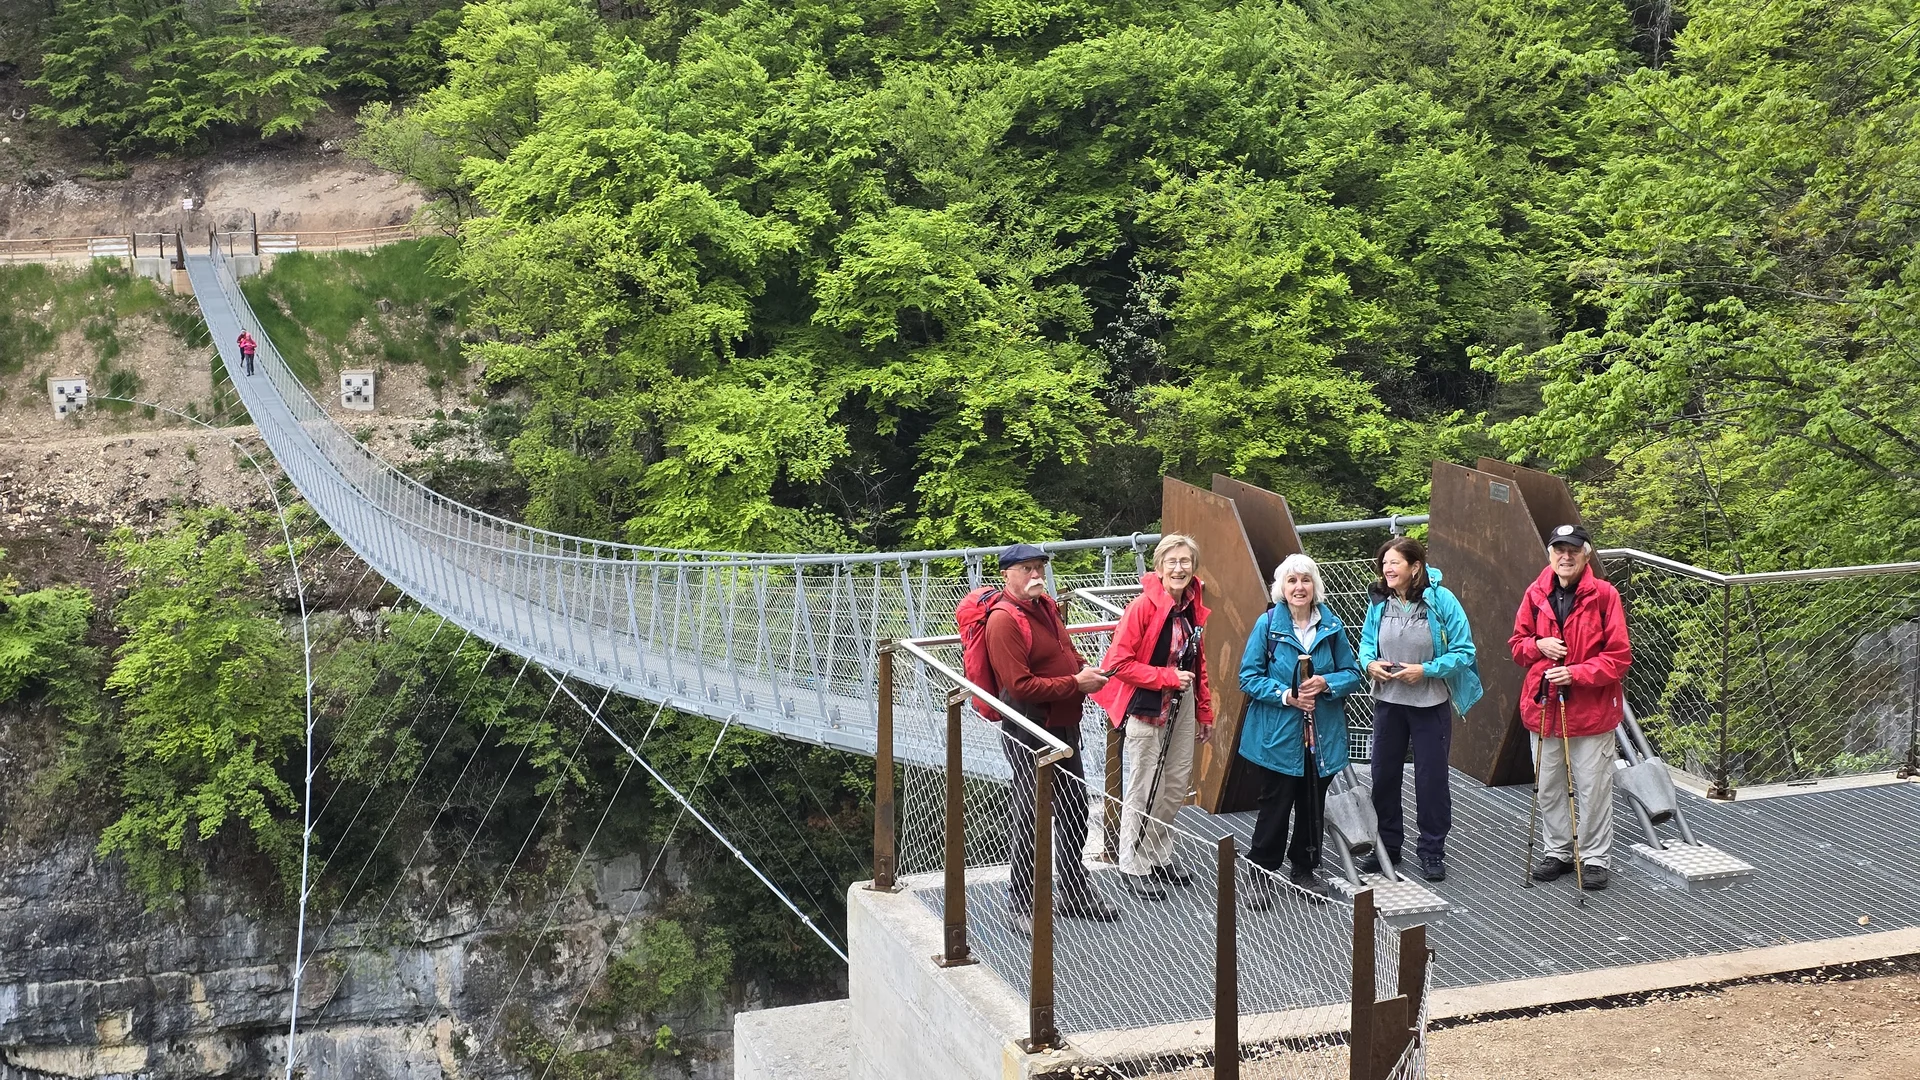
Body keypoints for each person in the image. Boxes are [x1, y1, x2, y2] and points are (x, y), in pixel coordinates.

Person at [983, 542, 1118, 934]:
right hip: (1027, 727)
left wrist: (1082, 669)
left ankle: (1074, 890)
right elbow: (1019, 685)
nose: (1036, 575)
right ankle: (1021, 902)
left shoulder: (1046, 607)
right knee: (1032, 813)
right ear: (1006, 574)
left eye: (1039, 567)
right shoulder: (1003, 620)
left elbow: (1065, 652)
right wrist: (1075, 682)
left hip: (1062, 722)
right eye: (1026, 569)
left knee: (1076, 809)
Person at [1509, 523, 1633, 891]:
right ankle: (1558, 851)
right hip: (1544, 706)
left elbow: (1619, 656)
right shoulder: (1535, 593)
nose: (1566, 556)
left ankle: (1595, 857)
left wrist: (1576, 673)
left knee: (1593, 786)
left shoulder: (1605, 595)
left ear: (1586, 554)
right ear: (1549, 554)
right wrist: (1539, 646)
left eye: (1573, 550)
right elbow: (1517, 646)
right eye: (1559, 550)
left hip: (1591, 709)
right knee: (1547, 785)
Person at [1092, 534, 1214, 901]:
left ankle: (1158, 854)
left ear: (1193, 567)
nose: (1179, 569)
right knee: (1143, 783)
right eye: (1172, 562)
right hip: (1148, 702)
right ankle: (1132, 864)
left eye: (1185, 562)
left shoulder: (1192, 605)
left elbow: (1198, 662)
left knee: (1176, 783)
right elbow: (1117, 664)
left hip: (1183, 700)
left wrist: (1204, 710)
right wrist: (1166, 678)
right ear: (1158, 568)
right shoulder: (1142, 607)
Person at [1238, 553, 1364, 905]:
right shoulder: (1267, 626)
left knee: (1312, 802)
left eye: (1305, 580)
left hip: (1321, 737)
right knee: (1275, 805)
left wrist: (1326, 683)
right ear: (1281, 587)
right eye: (1292, 581)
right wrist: (1286, 695)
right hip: (1277, 736)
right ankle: (1261, 872)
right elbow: (1247, 678)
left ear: (1315, 586)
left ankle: (1305, 869)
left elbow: (1353, 674)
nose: (1299, 587)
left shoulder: (1332, 626)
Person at [1357, 536, 1482, 882]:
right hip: (1388, 703)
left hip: (1430, 704)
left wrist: (1424, 670)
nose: (1387, 568)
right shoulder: (1379, 601)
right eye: (1384, 563)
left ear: (1416, 567)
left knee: (1431, 780)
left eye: (1395, 562)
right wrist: (1369, 664)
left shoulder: (1441, 600)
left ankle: (1431, 850)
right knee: (1382, 776)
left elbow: (1464, 651)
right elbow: (1367, 643)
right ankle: (1388, 847)